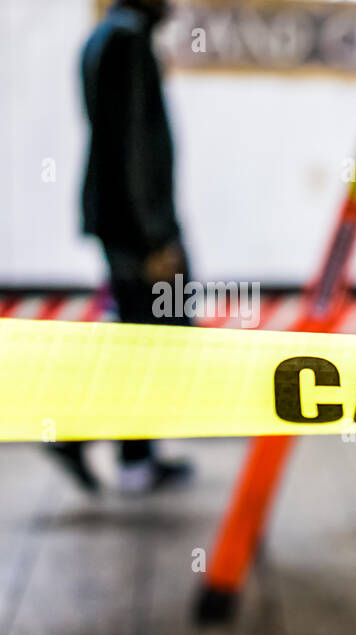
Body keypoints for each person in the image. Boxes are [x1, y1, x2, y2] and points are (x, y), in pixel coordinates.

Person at [47, 0, 193, 494]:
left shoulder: (107, 37)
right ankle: (95, 440)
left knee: (141, 338)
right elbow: (133, 149)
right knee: (157, 338)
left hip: (121, 220)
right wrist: (155, 238)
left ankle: (132, 455)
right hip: (137, 227)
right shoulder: (128, 43)